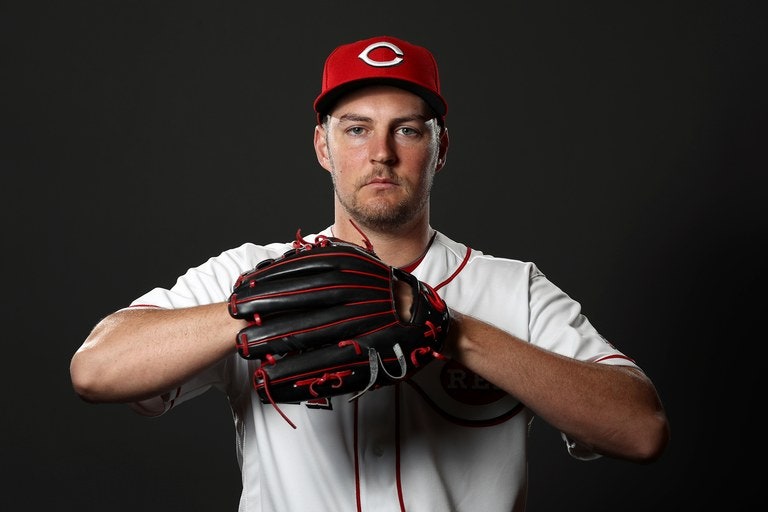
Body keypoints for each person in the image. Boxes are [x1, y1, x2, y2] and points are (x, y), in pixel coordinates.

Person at [70, 35, 670, 511]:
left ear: (440, 149)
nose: (380, 152)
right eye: (356, 129)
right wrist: (254, 312)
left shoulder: (514, 289)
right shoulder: (251, 274)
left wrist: (448, 330)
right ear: (323, 148)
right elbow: (95, 370)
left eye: (407, 130)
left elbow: (641, 430)